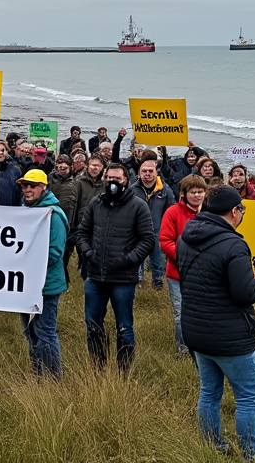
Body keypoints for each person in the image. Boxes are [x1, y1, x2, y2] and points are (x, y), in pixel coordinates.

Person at [177, 186, 255, 461]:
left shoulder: (186, 236)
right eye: (242, 209)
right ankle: (251, 454)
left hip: (195, 330)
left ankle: (211, 446)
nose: (242, 214)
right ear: (234, 212)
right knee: (248, 397)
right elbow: (244, 293)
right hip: (230, 335)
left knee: (209, 392)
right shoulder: (235, 245)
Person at [75, 162, 154, 373]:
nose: (112, 183)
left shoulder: (138, 206)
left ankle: (123, 371)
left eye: (117, 179)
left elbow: (147, 240)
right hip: (95, 276)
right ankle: (98, 368)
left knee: (125, 327)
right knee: (93, 325)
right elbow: (82, 233)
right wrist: (89, 254)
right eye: (109, 178)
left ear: (126, 181)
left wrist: (129, 259)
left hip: (123, 278)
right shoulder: (95, 203)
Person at [15, 168, 69, 377]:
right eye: (24, 186)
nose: (27, 190)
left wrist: (24, 262)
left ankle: (53, 377)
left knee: (45, 332)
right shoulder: (26, 211)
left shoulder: (53, 215)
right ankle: (38, 373)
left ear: (43, 187)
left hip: (47, 285)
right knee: (30, 331)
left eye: (32, 186)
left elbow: (55, 253)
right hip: (25, 283)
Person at [160, 174, 206, 355]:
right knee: (181, 314)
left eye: (201, 192)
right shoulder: (172, 212)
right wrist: (185, 258)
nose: (197, 195)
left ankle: (201, 347)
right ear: (184, 194)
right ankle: (183, 349)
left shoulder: (209, 212)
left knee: (201, 313)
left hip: (203, 274)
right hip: (177, 274)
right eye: (193, 192)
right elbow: (165, 241)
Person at [131, 151, 175, 290]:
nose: (147, 174)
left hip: (158, 230)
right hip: (136, 230)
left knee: (158, 257)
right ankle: (138, 281)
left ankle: (158, 281)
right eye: (144, 171)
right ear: (139, 173)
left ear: (156, 172)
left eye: (150, 171)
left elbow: (171, 209)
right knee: (137, 257)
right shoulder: (132, 190)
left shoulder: (165, 190)